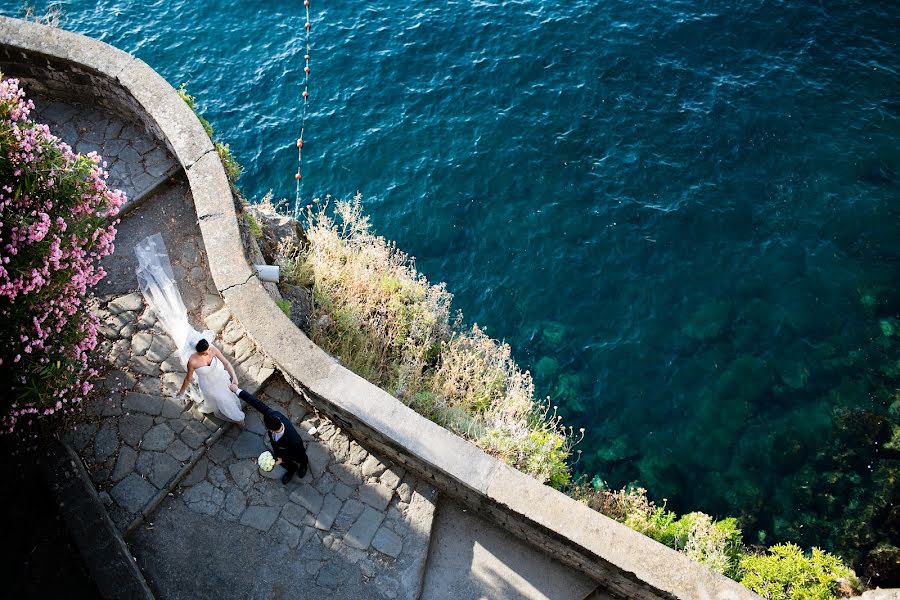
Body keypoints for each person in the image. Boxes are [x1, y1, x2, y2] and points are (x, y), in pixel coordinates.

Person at [230, 383, 308, 484]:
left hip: (293, 449)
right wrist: (237, 390)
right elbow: (257, 403)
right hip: (279, 448)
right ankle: (291, 469)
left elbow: (293, 451)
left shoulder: (294, 440)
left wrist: (282, 459)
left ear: (270, 430)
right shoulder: (273, 415)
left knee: (300, 456)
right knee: (283, 460)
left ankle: (303, 465)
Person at [175, 338, 245, 424]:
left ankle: (236, 416)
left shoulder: (212, 348)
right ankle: (239, 419)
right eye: (204, 352)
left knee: (228, 396)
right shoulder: (192, 361)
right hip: (209, 386)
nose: (208, 352)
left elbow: (226, 363)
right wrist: (181, 391)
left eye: (208, 349)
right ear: (197, 351)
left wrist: (234, 377)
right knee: (224, 400)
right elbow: (188, 378)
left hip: (221, 378)